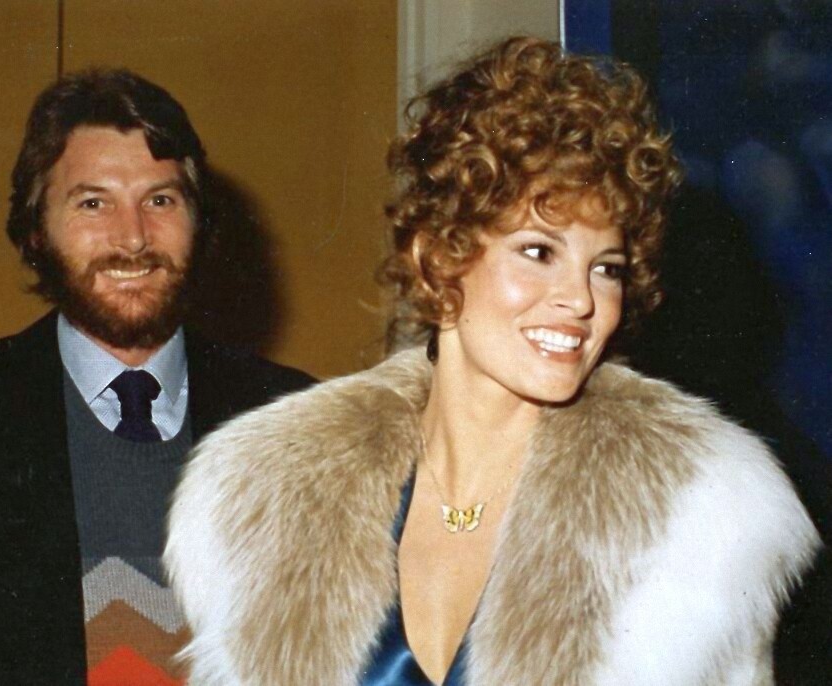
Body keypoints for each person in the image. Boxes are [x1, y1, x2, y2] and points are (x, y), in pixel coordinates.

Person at [165, 38, 819, 685]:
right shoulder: (270, 495)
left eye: (607, 268)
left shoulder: (697, 514)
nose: (580, 300)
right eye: (539, 251)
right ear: (438, 256)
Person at [0, 69, 312, 685]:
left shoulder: (293, 418)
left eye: (160, 200)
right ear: (36, 229)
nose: (134, 238)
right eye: (93, 203)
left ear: (198, 220)